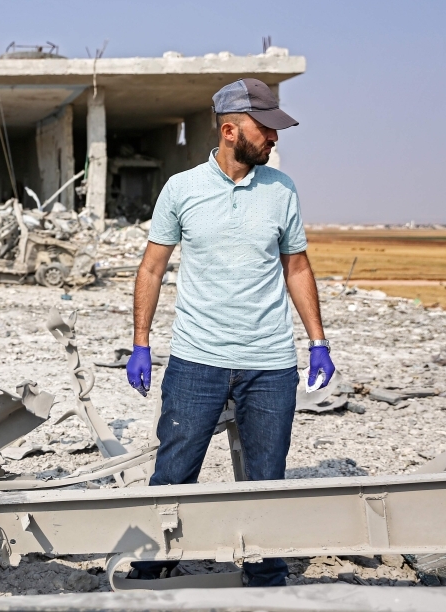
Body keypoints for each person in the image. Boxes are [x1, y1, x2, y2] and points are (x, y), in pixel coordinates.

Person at [126, 78, 335, 587]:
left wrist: (318, 342)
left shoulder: (282, 190)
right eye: (265, 130)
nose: (274, 139)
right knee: (175, 471)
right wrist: (141, 343)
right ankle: (157, 563)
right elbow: (151, 268)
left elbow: (298, 268)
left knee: (266, 477)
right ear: (229, 130)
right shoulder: (182, 189)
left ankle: (265, 571)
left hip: (270, 364)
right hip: (197, 360)